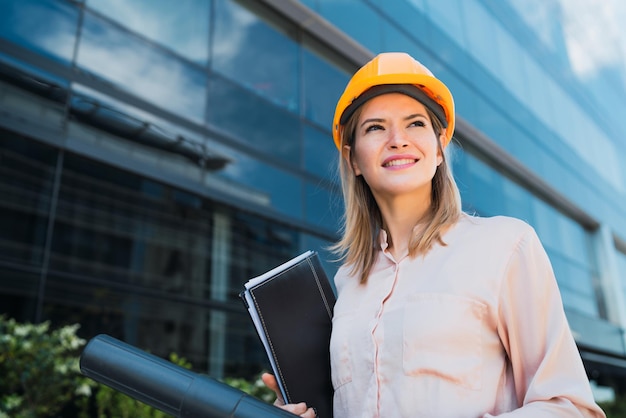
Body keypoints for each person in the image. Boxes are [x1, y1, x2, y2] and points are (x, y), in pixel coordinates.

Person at [263, 52, 606, 417]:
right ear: (353, 160)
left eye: (415, 124)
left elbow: (570, 408)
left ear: (440, 147)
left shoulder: (505, 246)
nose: (397, 139)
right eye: (375, 127)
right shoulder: (347, 283)